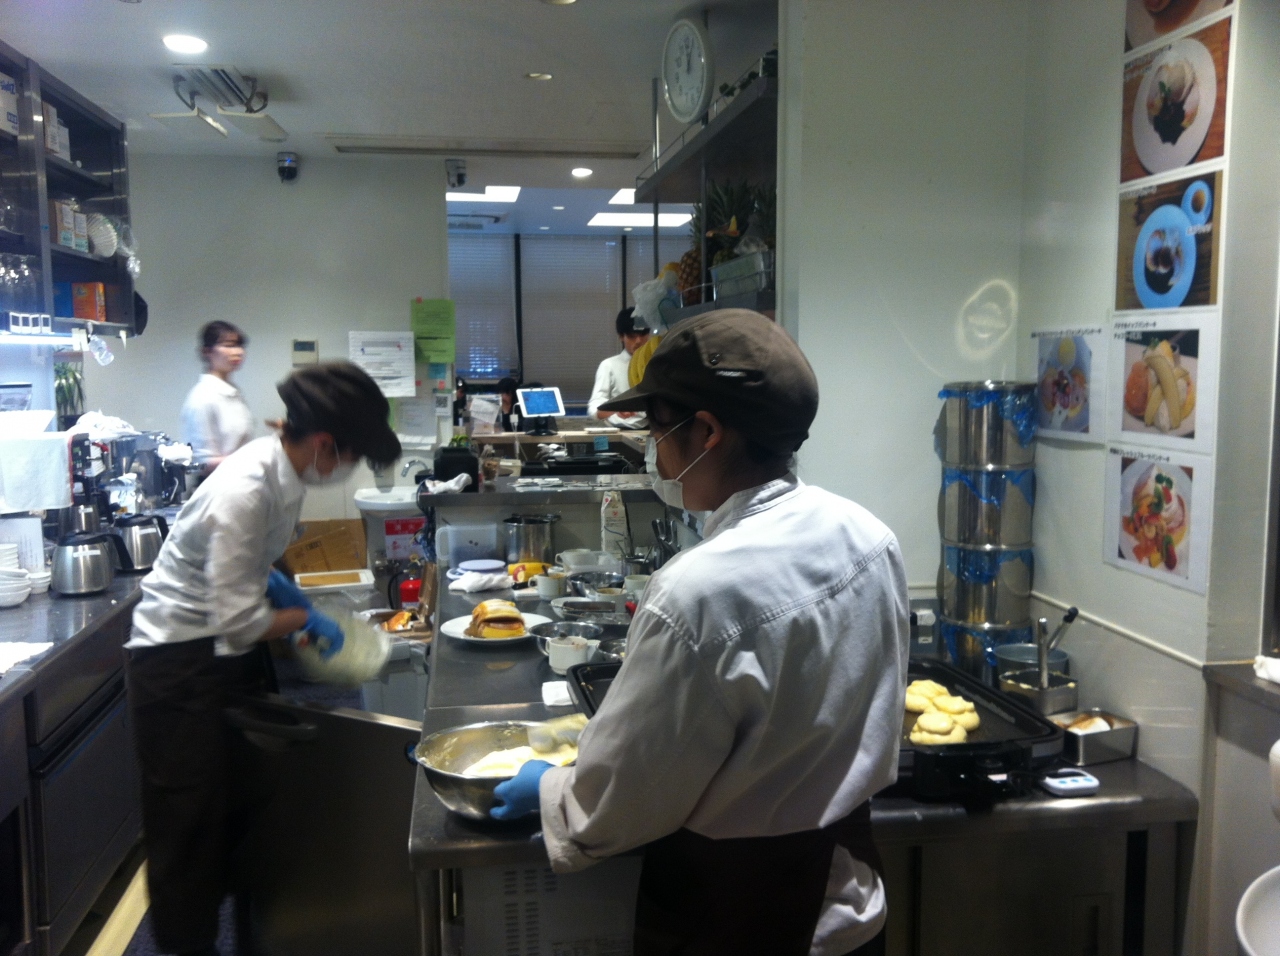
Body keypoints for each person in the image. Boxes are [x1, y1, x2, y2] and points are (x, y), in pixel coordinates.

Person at [491, 310, 909, 956]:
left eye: (657, 430)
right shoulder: (870, 538)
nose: (654, 452)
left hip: (741, 924)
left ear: (707, 433)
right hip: (853, 917)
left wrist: (552, 788)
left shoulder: (695, 595)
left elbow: (619, 799)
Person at [125, 361, 401, 956]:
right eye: (353, 454)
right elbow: (240, 621)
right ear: (325, 444)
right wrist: (305, 618)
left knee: (243, 807)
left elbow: (252, 568)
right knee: (189, 824)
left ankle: (250, 935)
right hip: (176, 662)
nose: (351, 466)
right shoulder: (246, 487)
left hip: (221, 655)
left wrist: (281, 589)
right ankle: (187, 947)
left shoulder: (285, 473)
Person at [181, 321, 254, 472]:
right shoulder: (203, 397)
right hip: (216, 482)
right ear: (206, 351)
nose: (238, 352)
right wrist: (256, 459)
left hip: (240, 479)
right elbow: (201, 463)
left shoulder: (233, 392)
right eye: (229, 345)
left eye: (240, 345)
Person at [588, 306, 651, 428]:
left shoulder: (656, 364)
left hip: (652, 430)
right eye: (632, 336)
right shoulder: (609, 365)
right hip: (618, 430)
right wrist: (616, 408)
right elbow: (594, 408)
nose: (638, 341)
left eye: (643, 334)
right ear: (621, 336)